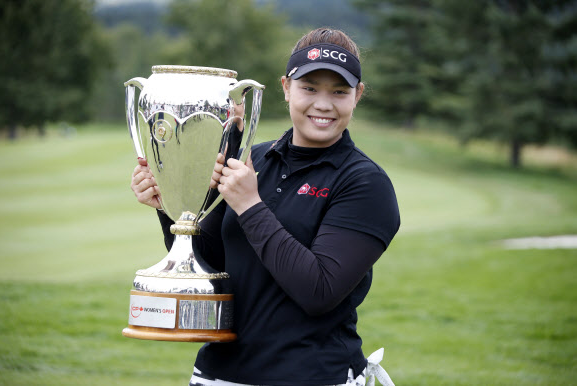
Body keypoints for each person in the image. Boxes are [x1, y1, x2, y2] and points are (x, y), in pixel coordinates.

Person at [131, 27, 400, 386]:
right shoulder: (251, 159)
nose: (323, 104)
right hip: (217, 373)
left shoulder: (365, 183)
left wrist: (250, 205)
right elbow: (209, 265)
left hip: (311, 376)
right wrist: (168, 208)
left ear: (357, 95)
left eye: (339, 91)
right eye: (309, 88)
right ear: (286, 88)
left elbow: (318, 291)